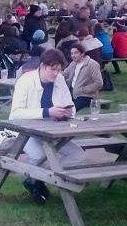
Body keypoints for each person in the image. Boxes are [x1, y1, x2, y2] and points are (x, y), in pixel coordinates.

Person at [10, 49, 81, 204]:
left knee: (78, 155)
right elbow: (15, 114)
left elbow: (71, 106)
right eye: (52, 69)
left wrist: (67, 112)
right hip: (25, 131)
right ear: (42, 66)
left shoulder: (60, 80)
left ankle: (34, 178)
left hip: (52, 131)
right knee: (38, 156)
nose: (56, 73)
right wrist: (46, 112)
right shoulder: (25, 80)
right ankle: (39, 180)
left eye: (58, 70)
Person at [63, 43, 103, 111]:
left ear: (82, 53)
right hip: (73, 94)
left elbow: (99, 83)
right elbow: (65, 74)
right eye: (72, 53)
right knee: (61, 108)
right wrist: (55, 72)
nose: (73, 55)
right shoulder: (73, 63)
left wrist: (83, 90)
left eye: (76, 53)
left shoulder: (92, 64)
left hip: (86, 97)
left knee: (70, 111)